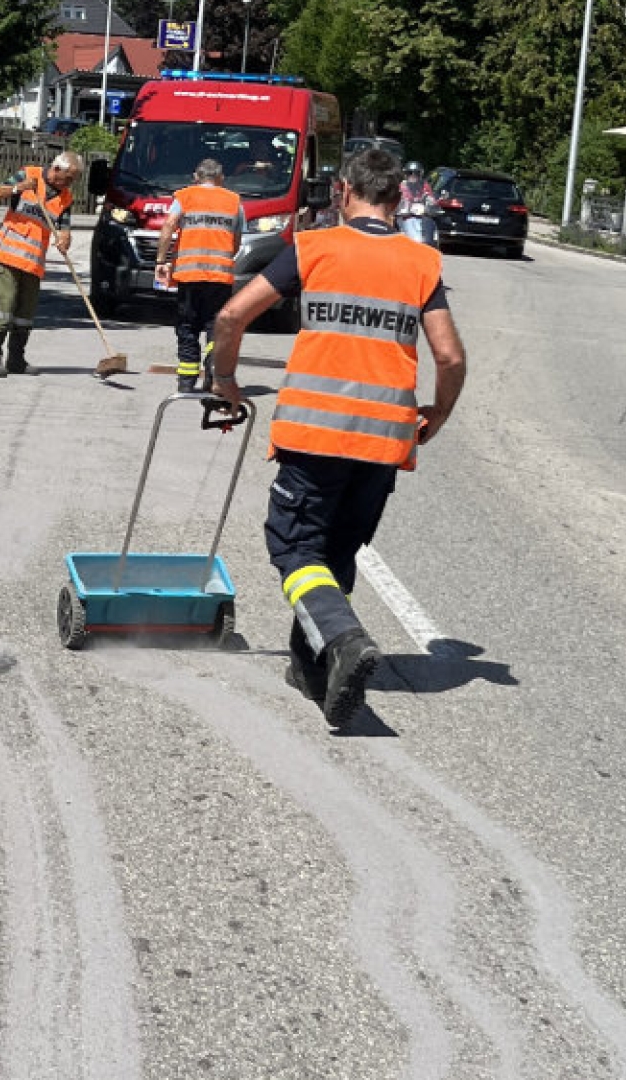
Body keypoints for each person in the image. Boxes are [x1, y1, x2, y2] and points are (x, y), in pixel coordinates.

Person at [207, 149, 469, 729]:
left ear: (344, 190)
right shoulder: (422, 262)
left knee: (296, 548)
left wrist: (225, 381)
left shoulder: (313, 247)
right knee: (337, 553)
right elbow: (449, 357)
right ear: (398, 198)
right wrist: (436, 418)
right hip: (383, 442)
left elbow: (230, 318)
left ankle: (344, 639)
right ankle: (314, 669)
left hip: (314, 433)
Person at [152, 159, 246, 393]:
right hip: (220, 277)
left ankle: (186, 382)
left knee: (187, 326)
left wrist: (161, 261)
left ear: (196, 177)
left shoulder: (184, 197)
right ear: (221, 178)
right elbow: (236, 240)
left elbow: (168, 226)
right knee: (215, 326)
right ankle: (213, 374)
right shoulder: (234, 201)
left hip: (188, 274)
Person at [0, 152, 83, 378]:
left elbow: (65, 228)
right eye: (67, 178)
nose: (68, 184)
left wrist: (65, 238)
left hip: (34, 262)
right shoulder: (29, 175)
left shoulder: (64, 198)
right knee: (6, 305)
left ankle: (17, 359)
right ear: (56, 169)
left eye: (73, 180)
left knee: (25, 313)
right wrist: (18, 188)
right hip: (9, 256)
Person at [396, 161, 437, 246]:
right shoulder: (402, 186)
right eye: (410, 173)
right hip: (404, 216)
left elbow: (430, 196)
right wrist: (397, 205)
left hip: (422, 216)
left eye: (416, 173)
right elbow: (395, 197)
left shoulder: (425, 185)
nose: (413, 176)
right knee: (394, 227)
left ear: (420, 174)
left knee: (431, 228)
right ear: (406, 174)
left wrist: (432, 203)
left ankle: (431, 246)